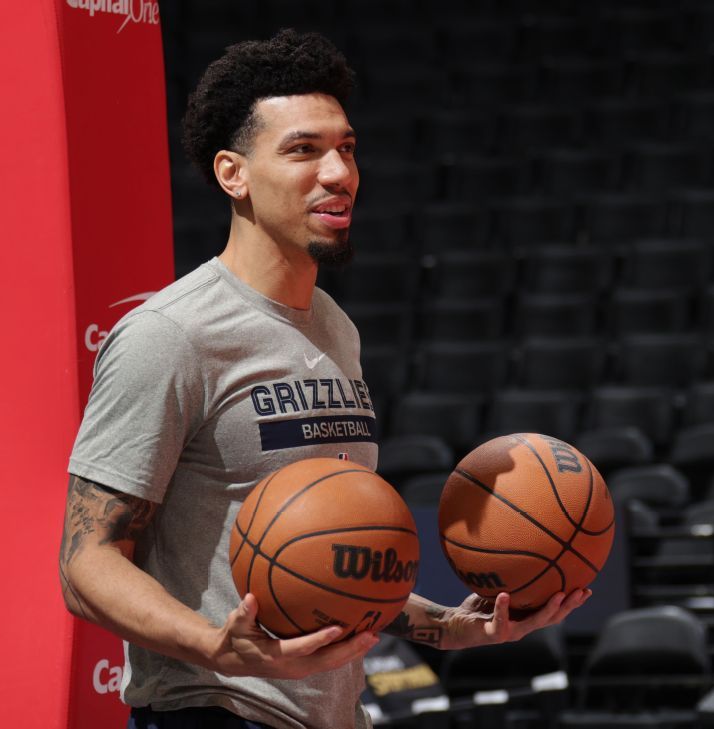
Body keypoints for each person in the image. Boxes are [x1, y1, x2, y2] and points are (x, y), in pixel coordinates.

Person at [59, 29, 591, 729]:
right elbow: (85, 560)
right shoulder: (172, 335)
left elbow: (322, 560)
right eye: (304, 150)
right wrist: (217, 645)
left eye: (346, 149)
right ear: (233, 174)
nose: (339, 173)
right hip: (214, 711)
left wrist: (444, 627)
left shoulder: (336, 328)